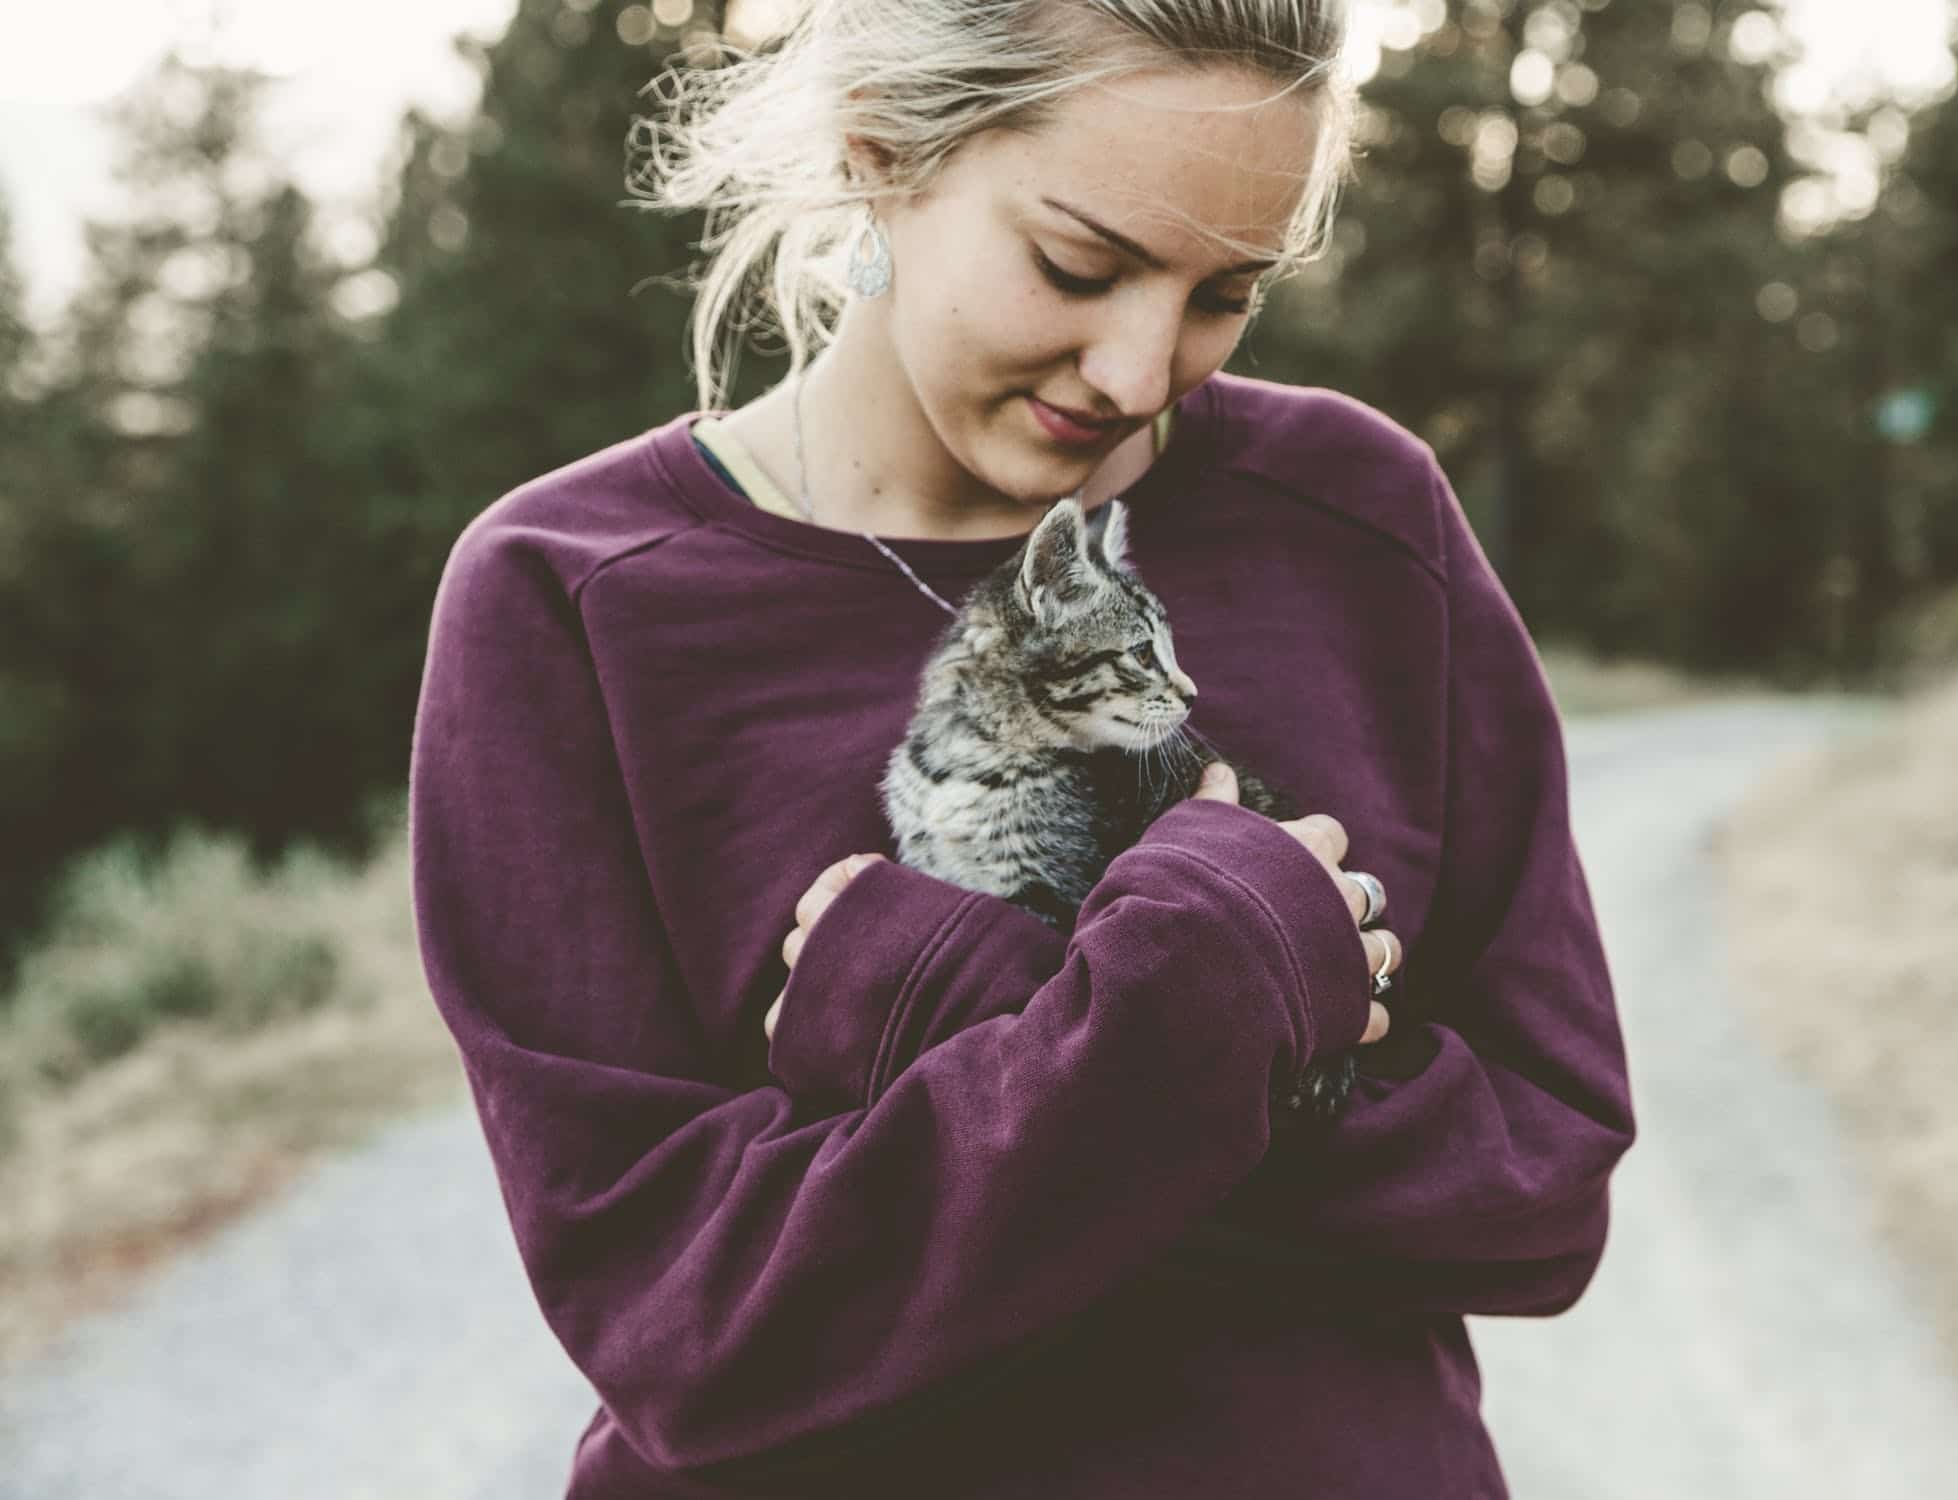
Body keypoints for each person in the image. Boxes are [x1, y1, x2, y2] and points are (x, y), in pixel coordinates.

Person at [407, 2, 1637, 1496]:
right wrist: (1200, 1001)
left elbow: (1538, 1186)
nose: (1136, 370)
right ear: (880, 151)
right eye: (1080, 265)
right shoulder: (574, 594)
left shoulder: (1356, 517)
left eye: (1224, 293)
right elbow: (694, 1332)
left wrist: (963, 1011)